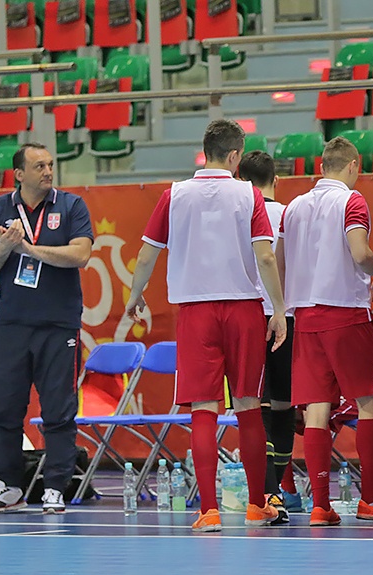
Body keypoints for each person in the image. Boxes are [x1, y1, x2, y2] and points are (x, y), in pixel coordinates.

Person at [126, 120, 285, 532]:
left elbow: (146, 255)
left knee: (203, 409)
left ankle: (209, 510)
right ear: (235, 156)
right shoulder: (248, 193)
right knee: (248, 404)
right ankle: (255, 505)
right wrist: (280, 309)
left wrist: (134, 295)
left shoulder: (173, 195)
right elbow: (266, 258)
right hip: (244, 309)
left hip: (195, 311)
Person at [277, 137, 373, 527]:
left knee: (316, 410)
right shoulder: (352, 201)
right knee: (369, 403)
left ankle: (320, 506)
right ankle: (371, 500)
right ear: (353, 166)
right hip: (345, 312)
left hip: (305, 317)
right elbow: (360, 252)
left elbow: (278, 263)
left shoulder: (292, 207)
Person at [0, 143, 93, 515]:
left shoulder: (71, 205)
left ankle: (55, 486)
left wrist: (30, 249)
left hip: (58, 323)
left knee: (59, 410)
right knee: (4, 409)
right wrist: (6, 246)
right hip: (12, 324)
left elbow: (80, 254)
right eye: (39, 166)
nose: (47, 171)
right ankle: (9, 485)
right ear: (19, 174)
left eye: (50, 164)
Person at [237, 150, 292, 525]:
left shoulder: (236, 215)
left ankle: (268, 491)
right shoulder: (287, 213)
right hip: (285, 314)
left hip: (248, 315)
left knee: (257, 407)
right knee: (285, 405)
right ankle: (279, 489)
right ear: (276, 179)